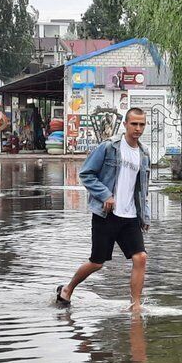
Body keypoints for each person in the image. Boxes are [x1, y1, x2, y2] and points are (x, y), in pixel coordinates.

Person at [57, 107, 151, 312]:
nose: (138, 128)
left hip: (131, 216)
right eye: (134, 124)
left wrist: (145, 215)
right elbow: (86, 174)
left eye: (142, 124)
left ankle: (135, 306)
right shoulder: (109, 147)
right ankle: (67, 288)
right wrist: (105, 195)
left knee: (140, 257)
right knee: (97, 263)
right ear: (125, 124)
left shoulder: (143, 154)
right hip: (106, 214)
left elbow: (143, 189)